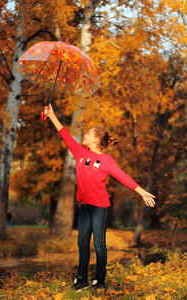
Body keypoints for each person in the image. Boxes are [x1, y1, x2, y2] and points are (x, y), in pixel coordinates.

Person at [43, 104, 156, 291]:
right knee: (82, 243)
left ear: (95, 139)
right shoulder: (80, 153)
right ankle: (81, 279)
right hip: (85, 207)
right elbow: (64, 134)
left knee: (99, 244)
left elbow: (123, 177)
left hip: (100, 208)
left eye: (88, 133)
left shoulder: (107, 161)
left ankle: (99, 279)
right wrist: (52, 115)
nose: (85, 135)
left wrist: (141, 191)